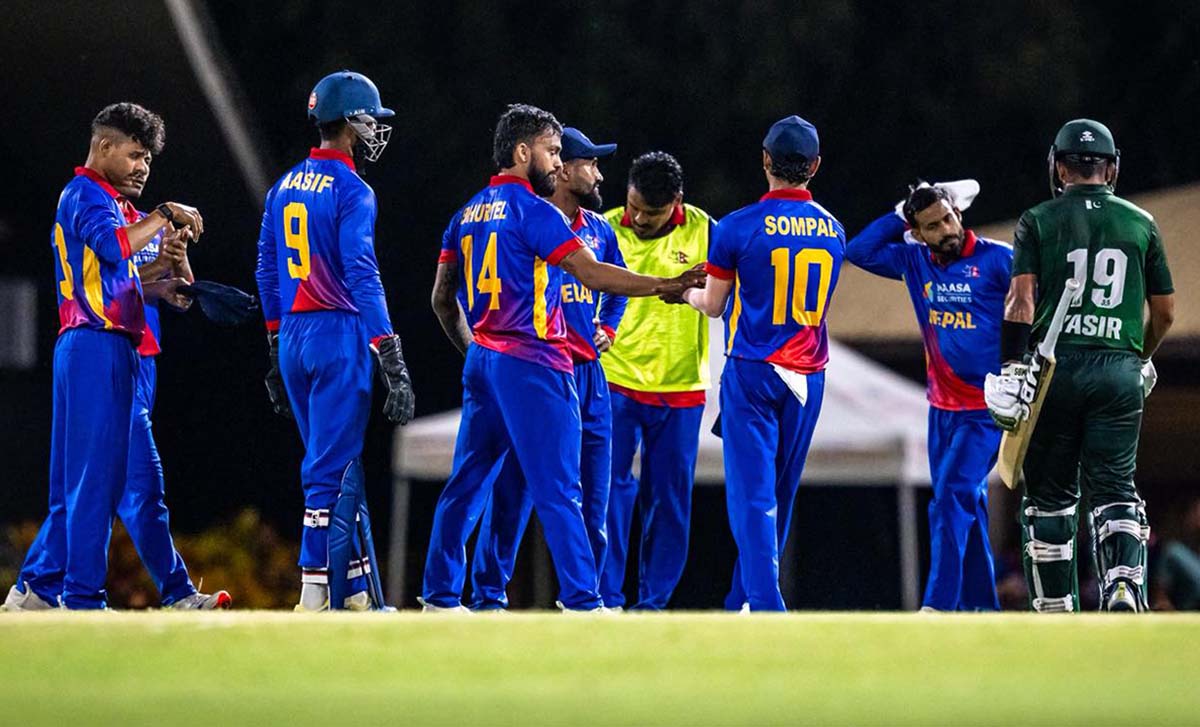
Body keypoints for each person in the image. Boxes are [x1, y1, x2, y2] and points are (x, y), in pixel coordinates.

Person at [425, 104, 703, 612]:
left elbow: (443, 300)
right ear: (522, 152)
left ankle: (440, 597)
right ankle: (582, 599)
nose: (557, 162)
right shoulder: (537, 212)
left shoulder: (466, 213)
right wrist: (666, 284)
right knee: (558, 489)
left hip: (488, 358)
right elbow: (592, 273)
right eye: (553, 152)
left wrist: (477, 351)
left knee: (467, 484)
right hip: (534, 360)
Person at [3, 102, 205, 611]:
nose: (143, 167)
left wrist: (169, 272)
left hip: (101, 348)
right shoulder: (85, 194)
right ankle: (82, 596)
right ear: (104, 146)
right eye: (135, 155)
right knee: (102, 484)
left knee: (90, 484)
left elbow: (145, 277)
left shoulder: (117, 206)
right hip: (97, 345)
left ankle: (37, 591)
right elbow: (115, 249)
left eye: (149, 160)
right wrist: (164, 214)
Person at [985, 119, 1175, 612]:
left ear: (1059, 167)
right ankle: (1123, 585)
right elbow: (1165, 313)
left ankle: (1055, 607)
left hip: (1057, 367)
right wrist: (1138, 356)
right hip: (1118, 369)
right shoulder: (1141, 222)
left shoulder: (1038, 219)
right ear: (1111, 169)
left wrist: (1011, 367)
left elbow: (1020, 301)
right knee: (1115, 488)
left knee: (1050, 496)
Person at [256, 71, 414, 612]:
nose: (375, 132)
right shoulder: (353, 190)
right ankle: (316, 590)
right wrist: (388, 349)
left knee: (338, 462)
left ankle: (357, 591)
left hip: (293, 335)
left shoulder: (282, 186)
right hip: (338, 332)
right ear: (350, 123)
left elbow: (266, 271)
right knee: (330, 470)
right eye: (370, 121)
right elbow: (362, 272)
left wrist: (274, 345)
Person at [681, 115, 843, 611]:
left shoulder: (735, 226)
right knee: (781, 491)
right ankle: (744, 600)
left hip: (753, 367)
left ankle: (765, 602)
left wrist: (684, 292)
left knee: (752, 494)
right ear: (815, 165)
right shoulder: (834, 230)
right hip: (809, 371)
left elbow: (714, 305)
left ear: (766, 160)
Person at [468, 127, 627, 610]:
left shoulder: (599, 229)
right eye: (589, 163)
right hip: (539, 371)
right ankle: (488, 596)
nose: (598, 174)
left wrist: (609, 327)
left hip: (589, 377)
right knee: (512, 493)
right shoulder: (529, 220)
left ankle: (586, 600)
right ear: (564, 170)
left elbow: (615, 285)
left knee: (593, 502)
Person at [846, 181, 1011, 612]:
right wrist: (900, 212)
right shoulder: (914, 260)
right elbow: (858, 251)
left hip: (986, 409)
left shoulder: (998, 259)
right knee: (966, 503)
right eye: (933, 226)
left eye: (949, 219)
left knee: (951, 497)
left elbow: (1040, 308)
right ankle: (982, 609)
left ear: (959, 214)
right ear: (916, 233)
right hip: (942, 410)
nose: (946, 230)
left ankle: (938, 605)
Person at [600, 152, 715, 610]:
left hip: (681, 386)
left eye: (652, 212)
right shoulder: (604, 227)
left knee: (669, 501)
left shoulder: (707, 231)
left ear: (677, 202)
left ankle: (653, 605)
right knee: (608, 492)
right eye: (634, 206)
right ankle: (605, 600)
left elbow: (734, 293)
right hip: (615, 380)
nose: (640, 219)